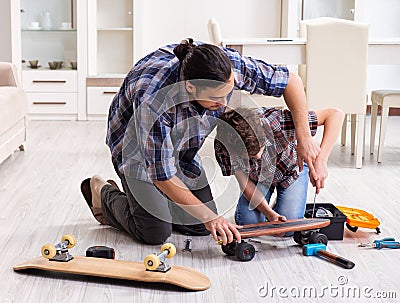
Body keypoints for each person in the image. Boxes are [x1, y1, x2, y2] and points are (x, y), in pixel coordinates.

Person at [80, 38, 321, 246]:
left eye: (228, 92)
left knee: (198, 226)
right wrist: (208, 216)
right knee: (155, 231)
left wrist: (304, 137)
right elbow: (161, 175)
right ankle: (103, 194)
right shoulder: (153, 99)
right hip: (135, 149)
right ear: (190, 87)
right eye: (216, 98)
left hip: (182, 148)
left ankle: (159, 204)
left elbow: (291, 81)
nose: (225, 103)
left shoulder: (228, 66)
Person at [214, 106, 345, 226]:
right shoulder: (223, 148)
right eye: (251, 157)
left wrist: (321, 160)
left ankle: (281, 203)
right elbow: (245, 184)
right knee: (249, 223)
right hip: (258, 178)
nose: (259, 157)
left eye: (262, 148)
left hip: (291, 169)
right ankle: (268, 204)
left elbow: (335, 115)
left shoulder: (278, 121)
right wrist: (270, 214)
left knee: (289, 227)